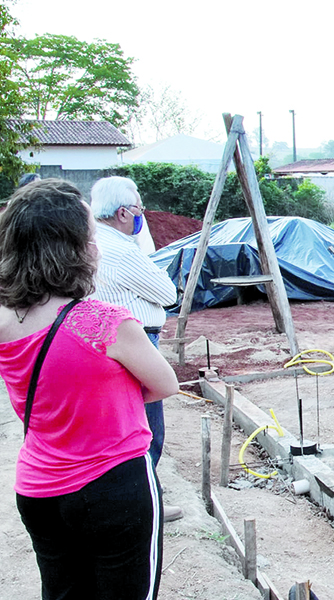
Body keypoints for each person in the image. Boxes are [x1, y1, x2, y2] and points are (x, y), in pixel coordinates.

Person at [0, 179, 179, 599]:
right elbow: (164, 385)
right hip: (114, 485)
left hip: (39, 489)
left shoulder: (6, 318)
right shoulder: (105, 322)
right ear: (76, 247)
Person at [89, 176, 182, 522]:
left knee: (129, 420)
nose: (142, 217)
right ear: (124, 213)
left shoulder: (94, 243)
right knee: (148, 427)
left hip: (111, 340)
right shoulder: (121, 250)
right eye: (139, 210)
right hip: (137, 339)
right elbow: (167, 293)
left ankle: (141, 498)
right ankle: (147, 504)